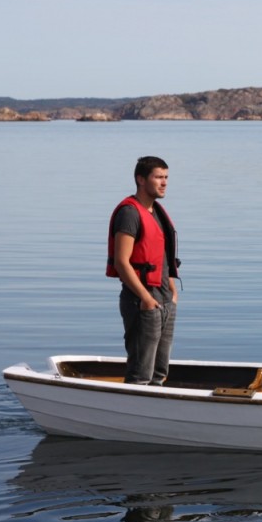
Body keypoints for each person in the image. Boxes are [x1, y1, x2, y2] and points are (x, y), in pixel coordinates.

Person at [107, 156, 180, 386]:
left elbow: (164, 256)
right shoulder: (129, 213)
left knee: (160, 372)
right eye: (158, 177)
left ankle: (153, 416)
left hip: (164, 298)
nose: (164, 182)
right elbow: (121, 262)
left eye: (166, 177)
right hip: (141, 300)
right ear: (140, 179)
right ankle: (129, 417)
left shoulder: (156, 212)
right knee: (141, 373)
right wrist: (145, 298)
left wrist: (172, 289)